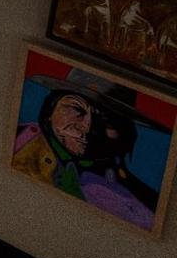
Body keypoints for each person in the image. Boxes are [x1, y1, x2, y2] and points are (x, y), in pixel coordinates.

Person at [12, 70, 160, 230]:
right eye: (77, 109)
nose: (87, 127)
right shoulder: (18, 141)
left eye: (107, 119)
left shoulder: (144, 205)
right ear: (50, 110)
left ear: (124, 133)